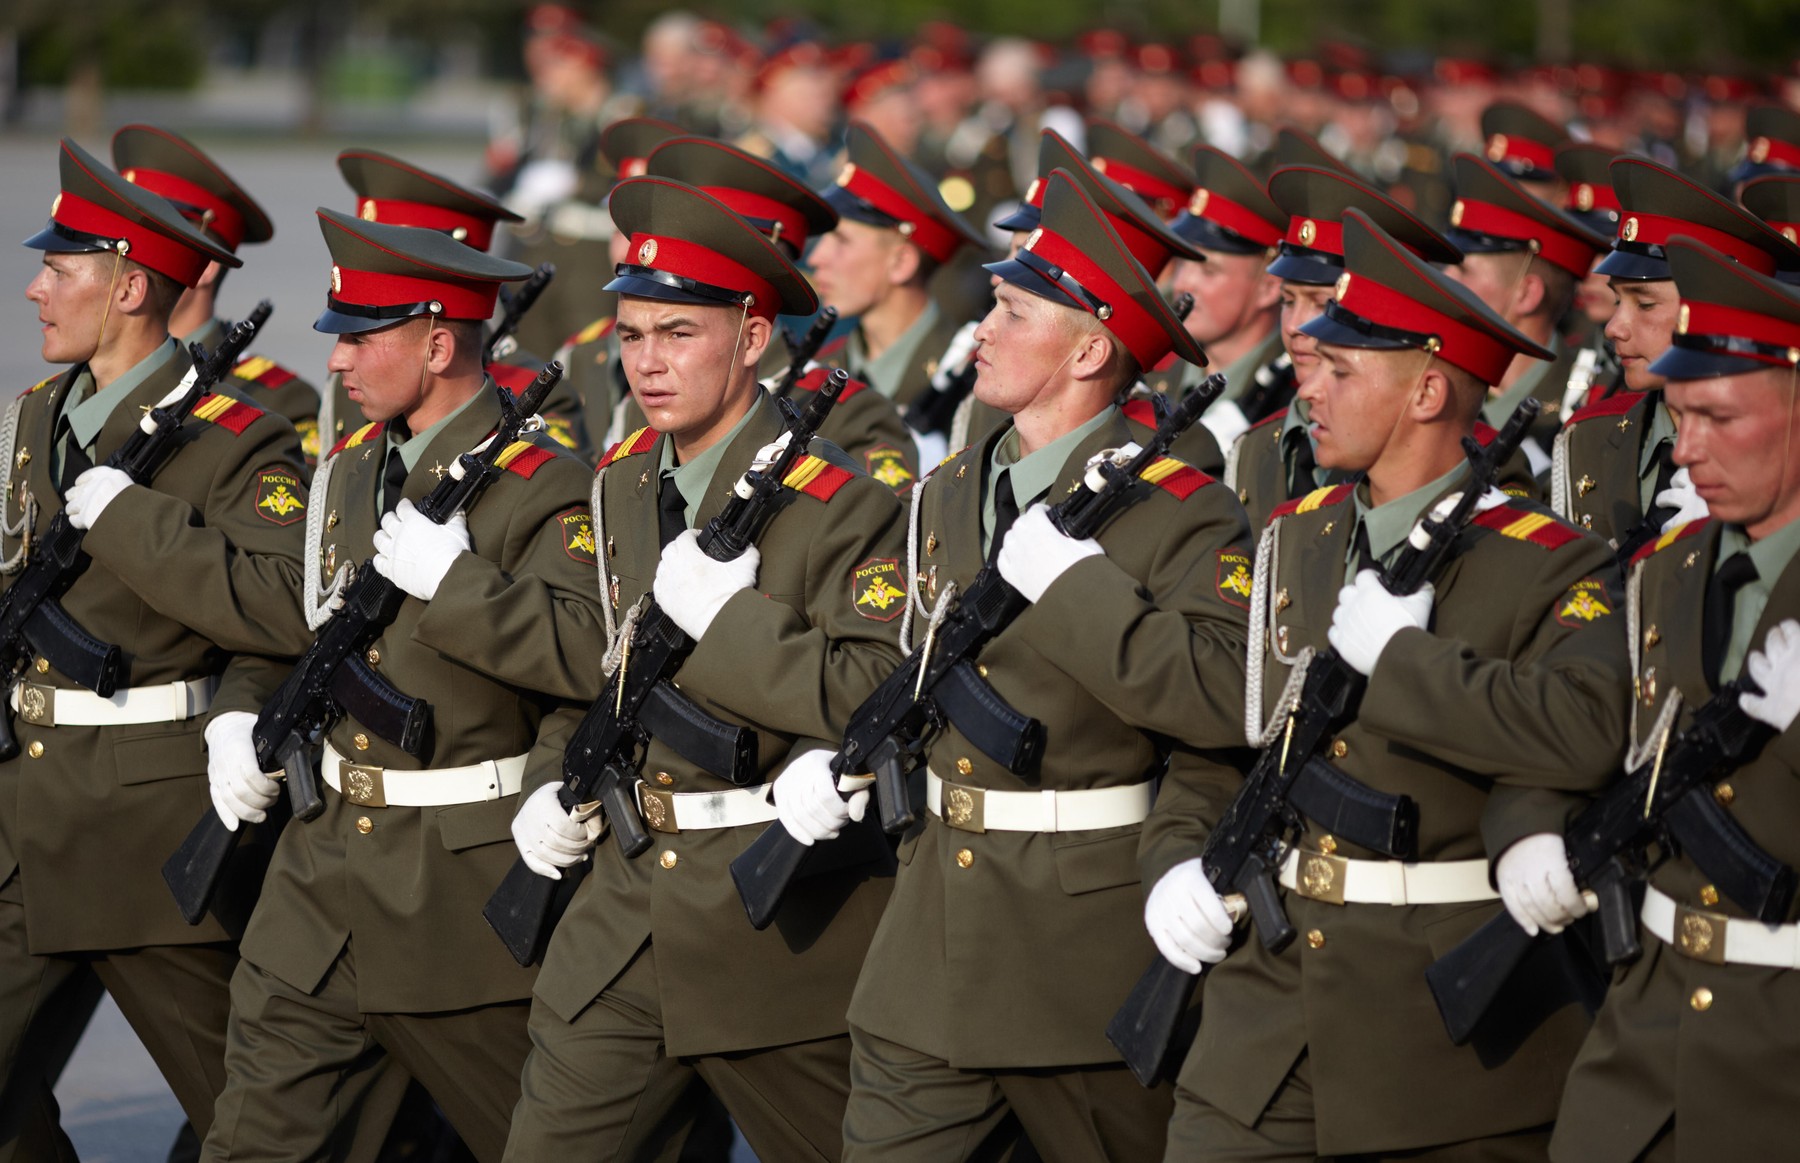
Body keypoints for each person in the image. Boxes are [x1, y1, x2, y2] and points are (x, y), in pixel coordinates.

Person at [1151, 207, 1632, 1160]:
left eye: (1340, 370)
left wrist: (1408, 665)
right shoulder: (1301, 532)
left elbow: (1581, 735)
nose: (1308, 383)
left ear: (1425, 394)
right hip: (1263, 1016)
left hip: (1432, 1034)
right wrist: (1172, 852)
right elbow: (1237, 733)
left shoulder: (1549, 564)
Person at [840, 169, 1251, 1161]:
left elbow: (1222, 696)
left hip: (1082, 949)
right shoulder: (949, 489)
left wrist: (1074, 586)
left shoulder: (1181, 507)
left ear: (1090, 348)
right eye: (990, 303)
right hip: (928, 942)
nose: (979, 328)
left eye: (1011, 310)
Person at [501, 174, 905, 1162]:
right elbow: (612, 672)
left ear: (754, 337)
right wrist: (556, 771)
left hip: (772, 918)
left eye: (678, 333)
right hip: (621, 910)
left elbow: (874, 695)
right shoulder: (627, 480)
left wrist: (728, 619)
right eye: (634, 334)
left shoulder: (840, 501)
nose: (648, 362)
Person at [200, 210, 606, 1163]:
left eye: (360, 338)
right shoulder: (349, 472)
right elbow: (306, 634)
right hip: (319, 880)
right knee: (252, 1141)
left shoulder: (541, 482)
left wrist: (463, 586)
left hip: (459, 892)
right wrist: (233, 714)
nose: (336, 363)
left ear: (436, 342)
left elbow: (593, 663)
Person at [0, 138, 310, 1156]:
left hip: (150, 830)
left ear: (129, 285)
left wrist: (133, 517)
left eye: (61, 271)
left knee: (250, 1115)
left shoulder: (237, 435)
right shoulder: (34, 419)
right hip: (24, 817)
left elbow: (280, 609)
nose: (37, 289)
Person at [1549, 235, 1800, 1163]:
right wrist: (1532, 824)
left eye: (1720, 417)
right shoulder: (1672, 569)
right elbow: (1583, 711)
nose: (1685, 448)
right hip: (1641, 1044)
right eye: (1681, 414)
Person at [1549, 156, 1800, 559]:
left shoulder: (1779, 451)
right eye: (1617, 300)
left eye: (1645, 304)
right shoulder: (1590, 436)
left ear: (1711, 308)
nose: (1615, 327)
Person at [1224, 162, 1464, 529]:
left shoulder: (1446, 447)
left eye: (1322, 305)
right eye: (1288, 301)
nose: (1294, 327)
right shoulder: (1254, 447)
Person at [111, 123, 326, 465]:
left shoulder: (275, 400)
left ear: (204, 266)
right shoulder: (97, 374)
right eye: (119, 243)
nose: (117, 261)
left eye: (146, 248)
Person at [1444, 150, 1612, 476]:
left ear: (1527, 294)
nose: (1445, 279)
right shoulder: (1440, 391)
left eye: (1464, 271)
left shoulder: (1594, 407)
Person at [810, 121, 989, 414]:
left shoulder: (970, 377)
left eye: (841, 241)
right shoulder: (817, 368)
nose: (817, 258)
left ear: (901, 263)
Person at [1161, 143, 1293, 446]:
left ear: (1269, 287)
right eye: (1183, 263)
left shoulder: (1288, 403)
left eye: (1209, 271)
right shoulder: (1156, 378)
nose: (1183, 284)